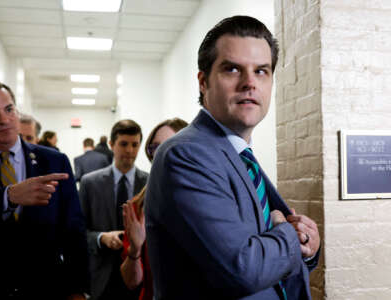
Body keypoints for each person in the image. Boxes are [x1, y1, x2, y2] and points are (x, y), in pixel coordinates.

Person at [144, 16, 321, 300]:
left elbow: (266, 261)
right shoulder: (185, 154)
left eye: (261, 71)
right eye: (232, 69)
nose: (249, 83)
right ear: (204, 82)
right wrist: (289, 233)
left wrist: (306, 246)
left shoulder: (239, 154)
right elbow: (242, 268)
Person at [0, 80, 89, 299]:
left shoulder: (54, 161)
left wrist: (78, 289)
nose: (4, 120)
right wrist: (8, 196)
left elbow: (73, 228)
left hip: (46, 287)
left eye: (8, 110)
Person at [79, 119, 148, 300]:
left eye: (135, 144)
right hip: (102, 275)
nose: (130, 150)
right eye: (123, 144)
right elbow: (78, 232)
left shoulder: (150, 183)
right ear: (111, 144)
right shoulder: (90, 183)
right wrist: (102, 238)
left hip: (139, 275)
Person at [120, 118, 188, 300]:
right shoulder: (137, 206)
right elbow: (131, 281)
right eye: (155, 147)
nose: (160, 153)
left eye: (168, 145)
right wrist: (134, 250)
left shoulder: (209, 199)